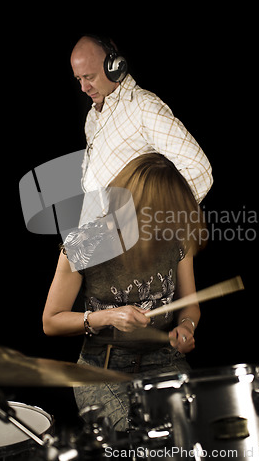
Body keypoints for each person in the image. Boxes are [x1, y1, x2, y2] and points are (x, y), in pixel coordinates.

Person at [42, 153, 207, 431]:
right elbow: (51, 321)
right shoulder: (86, 243)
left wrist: (186, 327)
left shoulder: (176, 236)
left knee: (193, 430)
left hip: (164, 360)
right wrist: (108, 317)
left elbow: (190, 305)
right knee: (138, 436)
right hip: (101, 367)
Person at [70, 35, 213, 228]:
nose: (83, 88)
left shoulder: (143, 107)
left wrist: (153, 223)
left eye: (89, 77)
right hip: (101, 244)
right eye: (79, 79)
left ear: (114, 66)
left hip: (138, 248)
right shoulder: (92, 118)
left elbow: (199, 170)